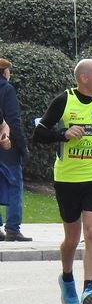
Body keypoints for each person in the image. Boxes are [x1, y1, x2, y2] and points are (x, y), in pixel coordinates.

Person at [32, 58, 92, 304]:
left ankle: (89, 289)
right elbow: (38, 133)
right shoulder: (64, 100)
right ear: (84, 78)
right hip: (67, 178)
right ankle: (66, 278)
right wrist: (64, 133)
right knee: (72, 237)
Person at [0, 58, 31, 241]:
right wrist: (22, 145)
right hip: (7, 147)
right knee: (14, 187)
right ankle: (13, 228)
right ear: (5, 72)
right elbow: (13, 120)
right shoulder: (7, 89)